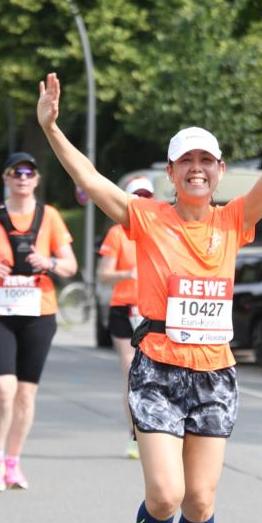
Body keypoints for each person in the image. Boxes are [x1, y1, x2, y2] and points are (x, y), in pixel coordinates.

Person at [37, 64, 262, 523]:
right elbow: (91, 180)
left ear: (217, 173)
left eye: (205, 161)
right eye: (185, 161)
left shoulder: (235, 220)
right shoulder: (145, 218)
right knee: (164, 495)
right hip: (159, 368)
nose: (196, 169)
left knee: (201, 498)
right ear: (170, 173)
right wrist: (52, 130)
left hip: (215, 373)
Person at [0, 152, 78, 491]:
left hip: (38, 312)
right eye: (16, 172)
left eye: (29, 172)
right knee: (2, 390)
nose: (23, 178)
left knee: (26, 396)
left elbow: (70, 265)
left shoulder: (51, 217)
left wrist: (49, 262)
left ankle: (14, 462)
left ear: (37, 180)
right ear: (6, 179)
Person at [98, 175, 155, 460]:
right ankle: (134, 434)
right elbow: (103, 274)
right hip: (124, 308)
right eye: (137, 196)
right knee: (131, 372)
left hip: (153, 313)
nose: (143, 201)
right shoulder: (117, 234)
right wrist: (126, 274)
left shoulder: (160, 230)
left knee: (153, 375)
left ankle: (155, 434)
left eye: (148, 195)